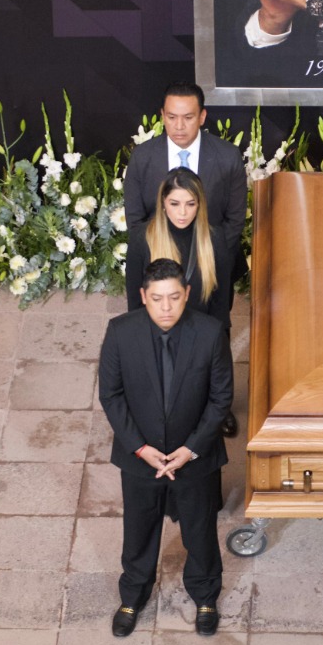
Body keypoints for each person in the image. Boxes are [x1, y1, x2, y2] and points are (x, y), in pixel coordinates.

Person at [99, 258, 234, 639]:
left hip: (195, 459)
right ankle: (132, 597)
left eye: (174, 297)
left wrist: (189, 449)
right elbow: (111, 395)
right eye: (157, 299)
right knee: (138, 531)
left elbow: (221, 397)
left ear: (187, 294)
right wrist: (140, 448)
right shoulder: (120, 332)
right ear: (143, 296)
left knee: (200, 530)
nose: (166, 307)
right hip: (140, 459)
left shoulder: (209, 334)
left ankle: (206, 596)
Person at [124, 82, 246, 436]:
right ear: (162, 116)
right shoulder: (143, 158)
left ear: (202, 117)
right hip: (160, 257)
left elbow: (235, 219)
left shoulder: (225, 157)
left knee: (214, 334)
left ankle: (216, 407)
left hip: (210, 260)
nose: (179, 126)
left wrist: (213, 252)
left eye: (188, 117)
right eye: (172, 117)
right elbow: (135, 219)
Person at [128, 168, 233, 330]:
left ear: (199, 204)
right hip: (156, 339)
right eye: (174, 204)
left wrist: (218, 349)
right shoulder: (142, 238)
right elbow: (135, 305)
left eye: (190, 204)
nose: (182, 213)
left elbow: (221, 307)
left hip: (201, 339)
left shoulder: (214, 239)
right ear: (163, 202)